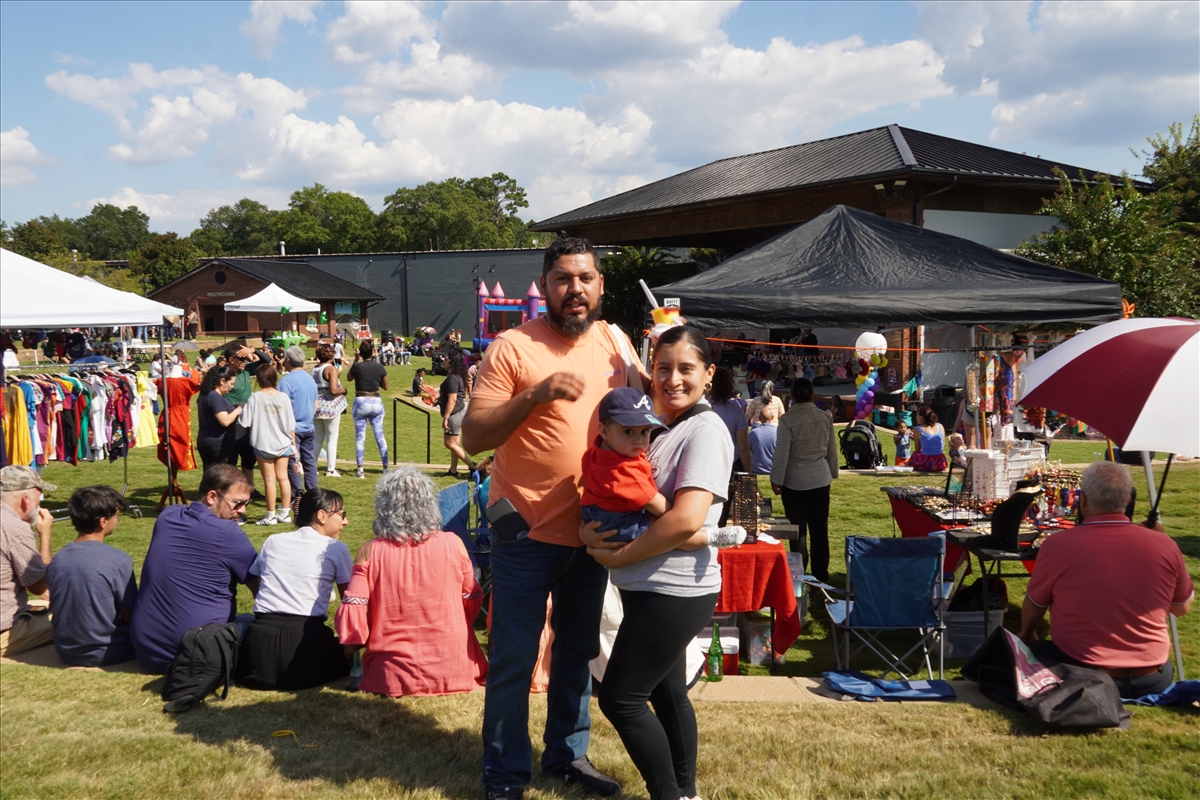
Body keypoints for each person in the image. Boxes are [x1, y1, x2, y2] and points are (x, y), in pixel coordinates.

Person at [463, 237, 642, 800]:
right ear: (545, 286)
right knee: (514, 658)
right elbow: (473, 436)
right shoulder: (513, 347)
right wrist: (534, 396)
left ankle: (567, 756)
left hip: (594, 531)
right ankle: (504, 774)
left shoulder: (616, 343)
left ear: (601, 286)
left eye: (585, 278)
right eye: (563, 279)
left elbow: (649, 412)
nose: (575, 289)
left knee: (576, 651)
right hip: (526, 530)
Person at [582, 325, 733, 800]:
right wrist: (590, 534)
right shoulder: (661, 426)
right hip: (654, 586)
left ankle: (669, 794)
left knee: (620, 699)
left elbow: (685, 519)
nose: (673, 379)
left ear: (709, 373)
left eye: (686, 368)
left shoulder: (706, 430)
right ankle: (685, 793)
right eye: (663, 368)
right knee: (667, 694)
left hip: (675, 589)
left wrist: (618, 556)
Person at [1018, 462, 1193, 698]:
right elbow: (1181, 608)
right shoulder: (1165, 545)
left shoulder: (1058, 545)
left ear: (1083, 500)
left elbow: (1035, 604)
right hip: (1152, 676)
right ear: (1128, 500)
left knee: (1015, 652)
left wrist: (1026, 634)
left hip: (1082, 672)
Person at [334, 467, 487, 697]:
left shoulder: (370, 551)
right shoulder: (454, 543)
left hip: (390, 672)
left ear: (383, 506)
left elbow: (354, 611)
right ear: (429, 504)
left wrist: (352, 646)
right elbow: (472, 597)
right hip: (454, 664)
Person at [130, 464, 259, 673]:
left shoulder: (167, 516)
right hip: (198, 651)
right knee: (250, 621)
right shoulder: (228, 533)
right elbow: (260, 588)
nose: (243, 510)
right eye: (238, 503)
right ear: (212, 497)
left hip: (148, 650)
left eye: (246, 503)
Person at [236, 488, 352, 691]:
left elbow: (256, 576)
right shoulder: (335, 548)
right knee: (345, 655)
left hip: (260, 649)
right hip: (305, 643)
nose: (345, 522)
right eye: (342, 514)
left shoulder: (273, 541)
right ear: (322, 515)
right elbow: (350, 600)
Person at [46, 486, 137, 666]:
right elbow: (129, 615)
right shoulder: (118, 560)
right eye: (116, 516)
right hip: (112, 650)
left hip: (66, 650)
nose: (117, 521)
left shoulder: (58, 559)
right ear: (103, 521)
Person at [580, 387, 669, 545]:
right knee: (665, 528)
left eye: (645, 431)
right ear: (604, 432)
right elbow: (655, 504)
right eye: (628, 431)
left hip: (593, 512)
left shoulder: (594, 452)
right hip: (616, 521)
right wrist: (681, 516)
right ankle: (708, 537)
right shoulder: (625, 470)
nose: (638, 440)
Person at [770, 378, 838, 583]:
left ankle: (798, 576)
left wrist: (776, 478)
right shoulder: (825, 417)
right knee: (820, 530)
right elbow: (832, 450)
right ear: (812, 395)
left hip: (794, 482)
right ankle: (821, 575)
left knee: (797, 532)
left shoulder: (788, 419)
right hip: (820, 479)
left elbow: (781, 453)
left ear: (792, 395)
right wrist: (832, 473)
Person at [0, 466, 55, 656]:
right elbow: (39, 587)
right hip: (5, 630)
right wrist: (45, 535)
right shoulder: (14, 528)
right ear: (25, 500)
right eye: (39, 498)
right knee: (73, 615)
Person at [241, 364, 298, 526]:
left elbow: (245, 421)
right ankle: (285, 513)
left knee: (269, 480)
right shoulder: (284, 397)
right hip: (283, 443)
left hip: (264, 443)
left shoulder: (255, 397)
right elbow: (291, 424)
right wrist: (293, 445)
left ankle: (270, 515)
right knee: (283, 478)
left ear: (259, 379)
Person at [279, 346, 319, 509]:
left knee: (293, 462)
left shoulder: (286, 381)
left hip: (292, 428)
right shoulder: (310, 379)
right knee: (309, 461)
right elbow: (316, 403)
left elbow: (282, 407)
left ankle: (297, 495)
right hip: (308, 426)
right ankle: (313, 492)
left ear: (288, 360)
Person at [347, 342, 389, 479]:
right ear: (372, 352)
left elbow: (349, 378)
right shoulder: (379, 367)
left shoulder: (357, 366)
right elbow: (385, 386)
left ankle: (360, 469)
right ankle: (385, 468)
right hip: (375, 401)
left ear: (360, 352)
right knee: (380, 436)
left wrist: (355, 359)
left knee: (360, 437)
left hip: (361, 400)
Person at [196, 366, 243, 472]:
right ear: (222, 381)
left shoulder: (205, 393)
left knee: (211, 476)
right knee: (222, 476)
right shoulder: (214, 396)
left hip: (206, 440)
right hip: (218, 444)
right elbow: (225, 421)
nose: (232, 387)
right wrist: (239, 409)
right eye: (231, 383)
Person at [438, 349, 476, 478]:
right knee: (455, 444)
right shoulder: (456, 376)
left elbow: (453, 399)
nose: (443, 360)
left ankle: (473, 467)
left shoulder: (452, 378)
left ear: (452, 362)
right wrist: (439, 400)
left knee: (449, 443)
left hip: (454, 415)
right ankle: (453, 470)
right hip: (459, 412)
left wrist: (446, 417)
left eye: (446, 359)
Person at [312, 343, 347, 477]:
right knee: (332, 438)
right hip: (330, 407)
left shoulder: (314, 369)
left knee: (317, 439)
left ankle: (312, 467)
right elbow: (333, 390)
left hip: (316, 406)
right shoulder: (331, 369)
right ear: (331, 355)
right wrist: (344, 390)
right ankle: (331, 469)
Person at [707, 366, 752, 472]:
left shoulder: (698, 410)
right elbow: (743, 448)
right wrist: (748, 473)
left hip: (705, 463)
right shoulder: (736, 412)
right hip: (731, 463)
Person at [909, 405, 947, 472]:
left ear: (921, 417)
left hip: (926, 463)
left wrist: (914, 439)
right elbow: (942, 444)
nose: (916, 417)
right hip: (940, 462)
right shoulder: (940, 426)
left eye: (917, 415)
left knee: (915, 454)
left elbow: (917, 449)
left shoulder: (917, 429)